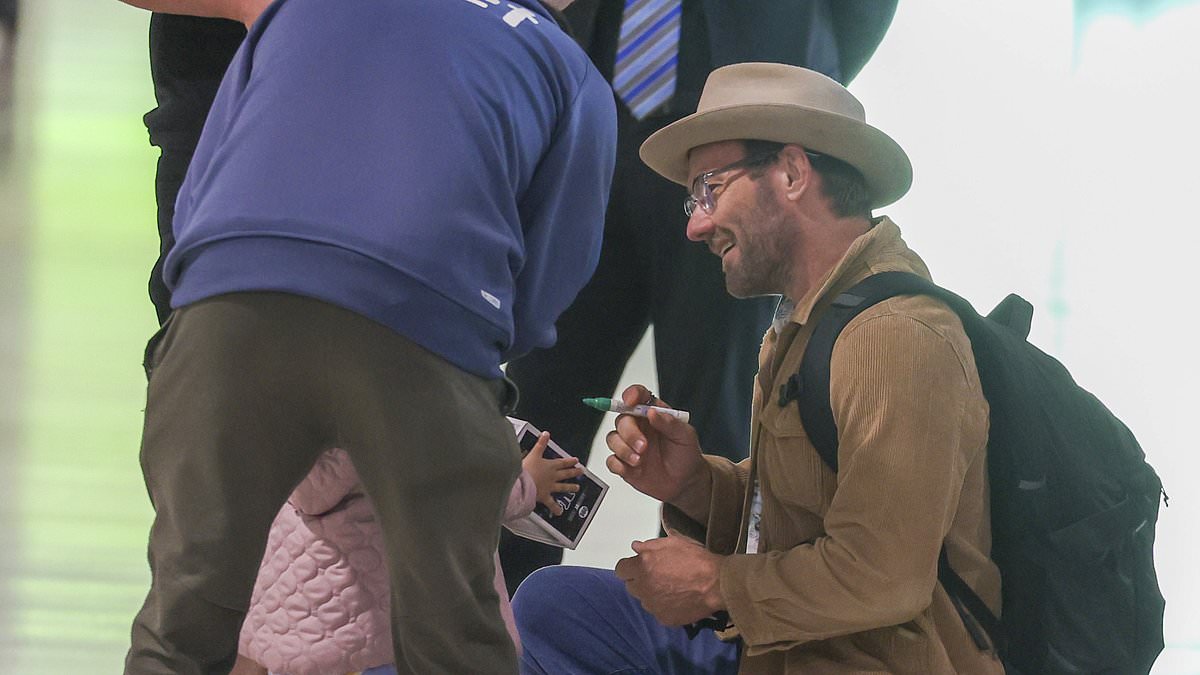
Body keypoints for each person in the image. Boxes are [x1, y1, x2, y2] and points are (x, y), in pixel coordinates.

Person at [117, 0, 617, 673]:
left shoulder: (306, 7)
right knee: (456, 637)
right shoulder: (568, 70)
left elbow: (207, 169)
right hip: (416, 321)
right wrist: (476, 355)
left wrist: (203, 305)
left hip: (225, 304)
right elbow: (558, 266)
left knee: (182, 625)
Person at [513, 62, 1004, 674]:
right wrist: (694, 483)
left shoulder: (892, 337)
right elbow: (798, 518)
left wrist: (719, 584)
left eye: (709, 190)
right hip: (782, 648)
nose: (695, 225)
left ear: (793, 173)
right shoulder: (806, 324)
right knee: (551, 605)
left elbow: (884, 578)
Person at [500, 0, 899, 592]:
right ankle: (498, 612)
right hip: (595, 106)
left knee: (712, 412)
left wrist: (796, 66)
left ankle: (694, 622)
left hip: (735, 120)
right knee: (543, 388)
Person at [233, 431, 581, 675]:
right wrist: (527, 484)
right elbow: (459, 498)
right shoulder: (404, 403)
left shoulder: (298, 420)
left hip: (314, 633)